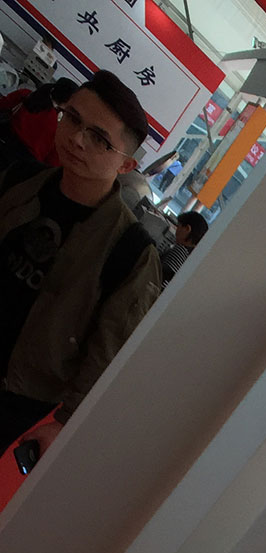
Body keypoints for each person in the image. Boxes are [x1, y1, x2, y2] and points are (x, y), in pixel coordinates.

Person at [0, 70, 161, 458]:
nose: (76, 139)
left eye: (99, 139)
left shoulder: (131, 251)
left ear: (126, 165)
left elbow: (110, 350)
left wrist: (66, 421)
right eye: (72, 118)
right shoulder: (20, 179)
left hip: (15, 394)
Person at [0, 78, 75, 167]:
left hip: (4, 140)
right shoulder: (58, 127)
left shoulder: (25, 95)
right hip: (20, 166)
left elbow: (2, 104)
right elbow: (52, 161)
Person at [158, 209, 208, 282]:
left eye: (178, 227)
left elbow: (158, 276)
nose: (176, 231)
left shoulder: (180, 251)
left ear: (187, 229)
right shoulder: (190, 257)